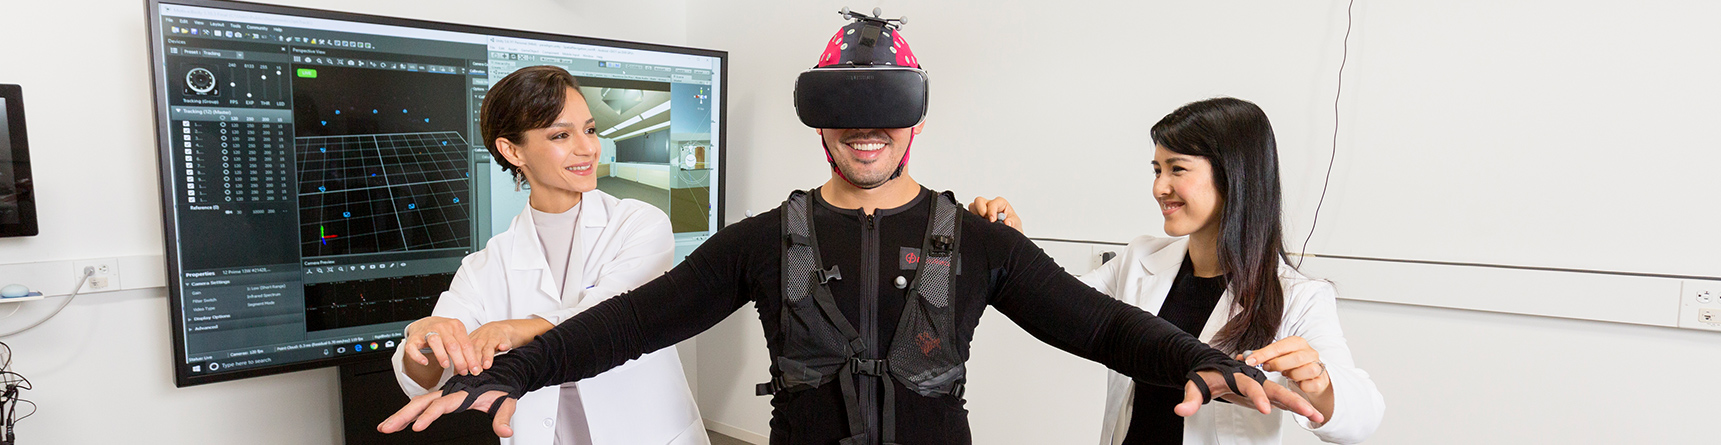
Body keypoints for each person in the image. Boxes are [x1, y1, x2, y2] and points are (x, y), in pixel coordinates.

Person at [379, 11, 1324, 444]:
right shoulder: (755, 241)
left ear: (913, 120)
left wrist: (1191, 357)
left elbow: (1099, 324)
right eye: (847, 108)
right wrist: (512, 369)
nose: (867, 129)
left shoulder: (981, 240)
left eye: (886, 109)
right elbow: (631, 322)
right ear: (820, 118)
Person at [968, 97, 1385, 444]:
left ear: (1233, 176)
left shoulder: (1297, 296)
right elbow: (1058, 304)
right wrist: (1013, 246)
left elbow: (1362, 418)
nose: (1159, 188)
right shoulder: (1140, 258)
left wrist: (1320, 384)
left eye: (1177, 169)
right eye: (1156, 170)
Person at [390, 65, 708, 445]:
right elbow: (427, 377)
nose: (588, 147)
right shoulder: (483, 267)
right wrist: (424, 337)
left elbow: (612, 319)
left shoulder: (640, 225)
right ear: (511, 150)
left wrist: (512, 329)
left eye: (589, 129)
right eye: (561, 135)